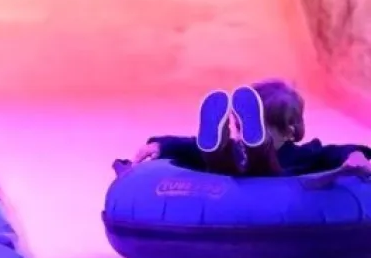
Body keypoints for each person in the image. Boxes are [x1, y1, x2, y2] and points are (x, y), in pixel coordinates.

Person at [123, 79, 371, 185]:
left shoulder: (307, 154)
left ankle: (258, 147)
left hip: (274, 181)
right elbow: (189, 147)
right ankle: (217, 142)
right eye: (240, 128)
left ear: (288, 131)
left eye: (260, 129)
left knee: (263, 163)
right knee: (215, 156)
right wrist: (160, 145)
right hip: (229, 174)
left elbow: (337, 152)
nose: (240, 137)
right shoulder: (236, 149)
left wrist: (357, 157)